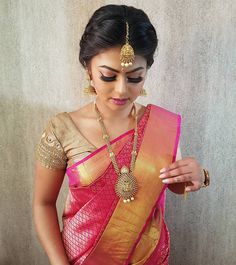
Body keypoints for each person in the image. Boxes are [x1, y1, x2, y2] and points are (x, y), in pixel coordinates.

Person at [33, 4, 210, 265]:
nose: (121, 90)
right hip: (82, 258)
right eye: (108, 76)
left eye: (135, 78)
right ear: (88, 70)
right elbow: (43, 204)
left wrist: (198, 177)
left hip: (147, 256)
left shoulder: (160, 125)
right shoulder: (62, 130)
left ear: (146, 72)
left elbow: (171, 183)